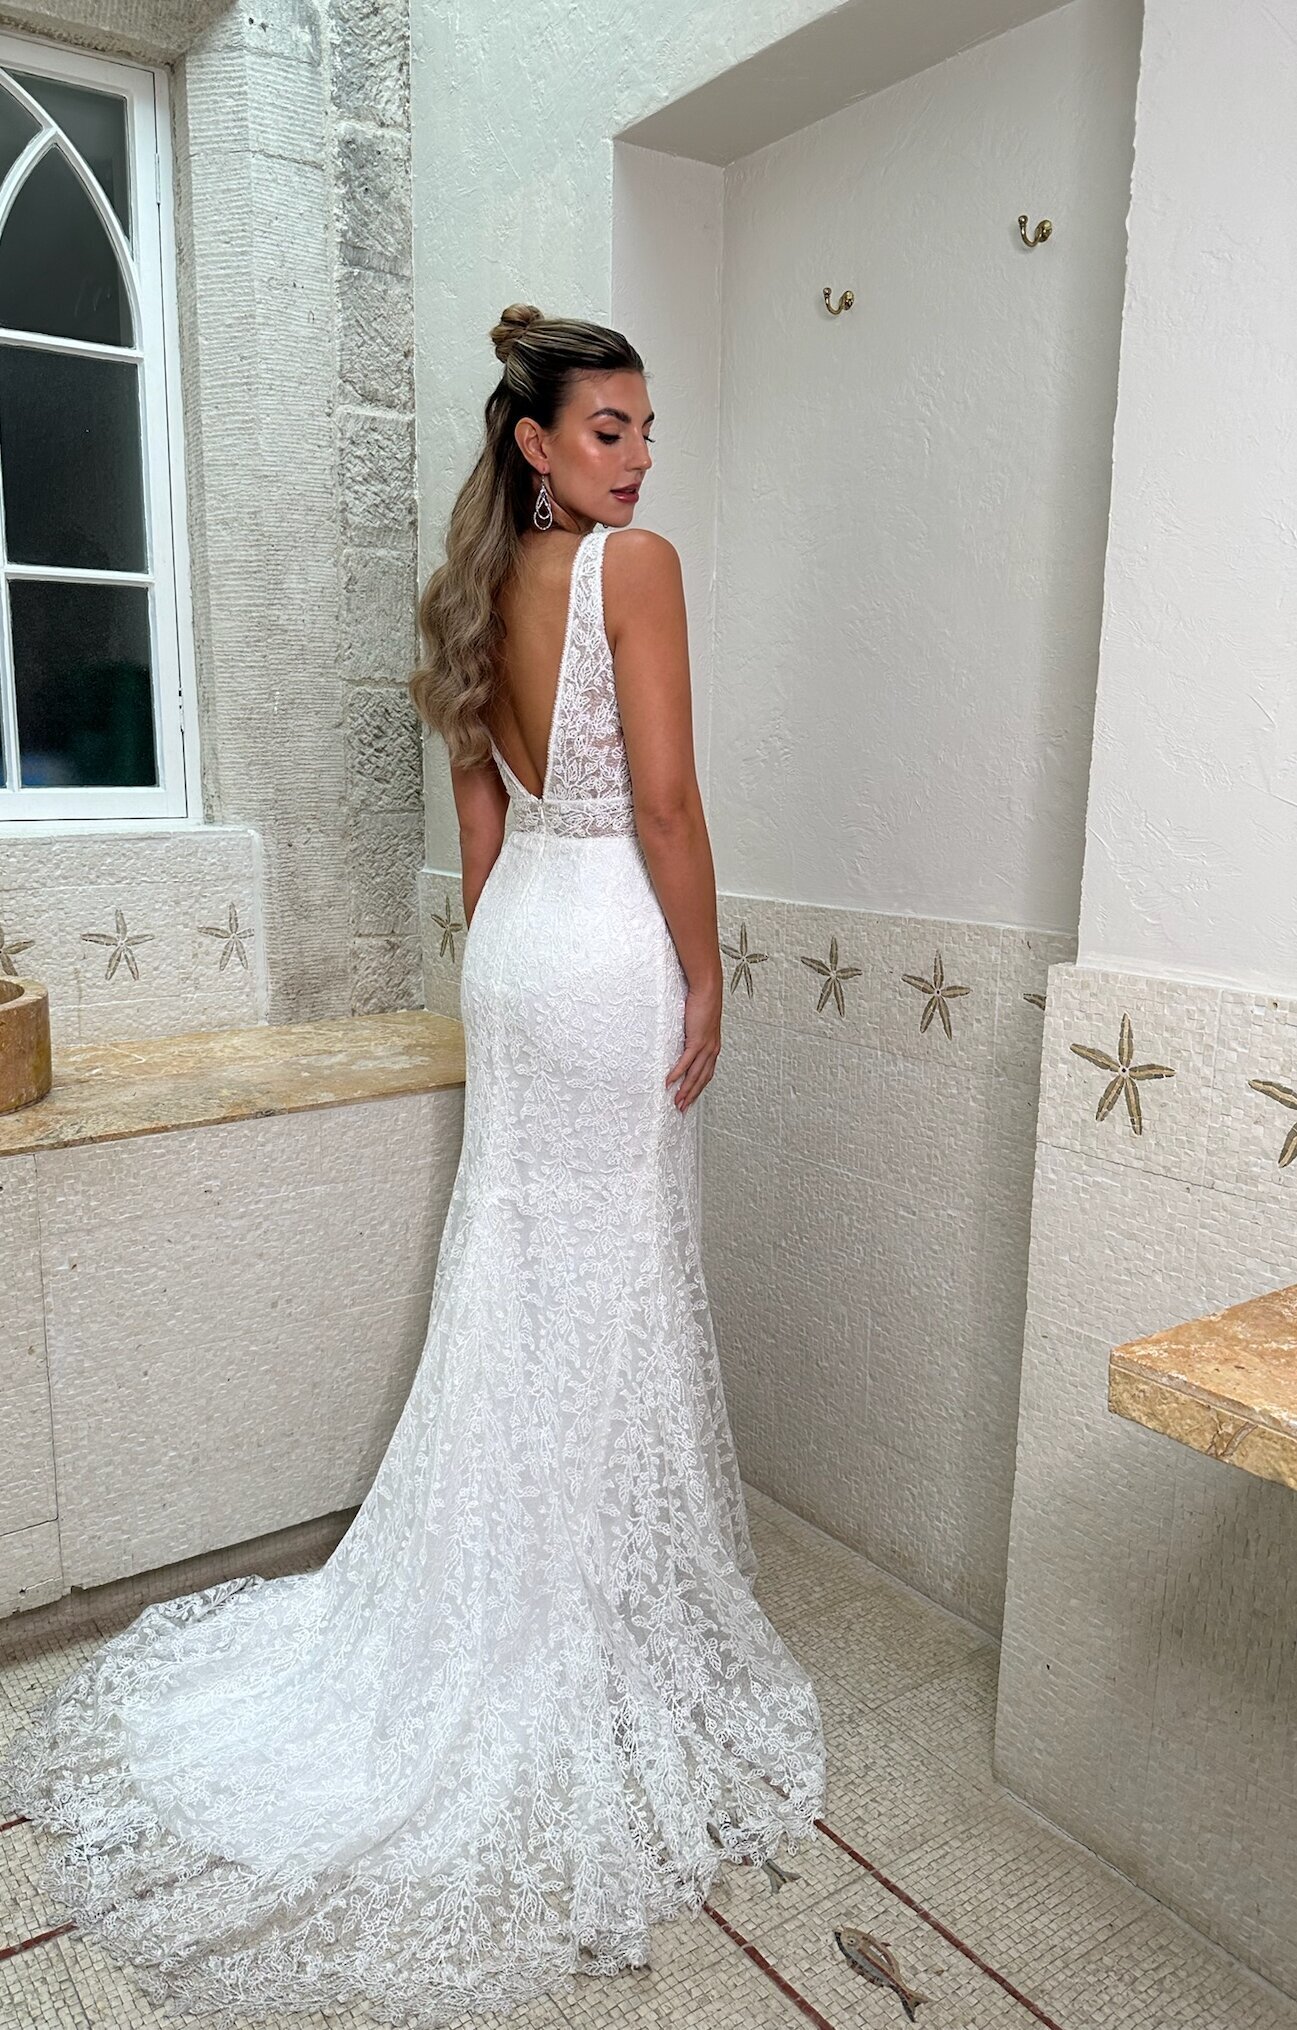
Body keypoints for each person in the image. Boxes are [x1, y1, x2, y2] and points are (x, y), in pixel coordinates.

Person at [0, 303, 826, 2027]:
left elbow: (479, 823)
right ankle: (567, 1608)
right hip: (604, 946)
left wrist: (512, 959)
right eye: (608, 429)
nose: (639, 459)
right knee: (598, 1276)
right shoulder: (636, 570)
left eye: (647, 430)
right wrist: (704, 971)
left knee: (520, 1269)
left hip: (516, 950)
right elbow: (664, 804)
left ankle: (521, 1589)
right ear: (536, 441)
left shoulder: (467, 585)